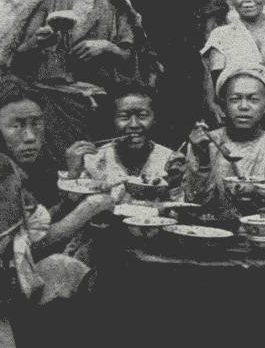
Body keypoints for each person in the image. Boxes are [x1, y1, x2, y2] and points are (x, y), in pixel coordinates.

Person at [0, 77, 116, 347]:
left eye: (36, 123)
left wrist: (68, 200)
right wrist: (91, 207)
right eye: (16, 126)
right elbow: (25, 254)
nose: (30, 136)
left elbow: (23, 230)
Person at [0, 0, 159, 167]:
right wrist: (37, 41)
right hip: (55, 105)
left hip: (103, 106)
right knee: (59, 170)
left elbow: (131, 56)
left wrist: (107, 47)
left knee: (101, 169)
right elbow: (18, 57)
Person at [63, 80, 186, 265]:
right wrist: (73, 173)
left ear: (155, 118)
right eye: (124, 116)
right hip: (101, 251)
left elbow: (180, 214)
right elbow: (73, 213)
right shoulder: (93, 160)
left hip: (156, 251)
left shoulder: (170, 160)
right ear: (112, 119)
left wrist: (174, 186)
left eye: (143, 115)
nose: (134, 124)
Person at [185, 65, 265, 221]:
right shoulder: (203, 144)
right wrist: (203, 162)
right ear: (223, 106)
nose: (243, 107)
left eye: (253, 99)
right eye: (235, 99)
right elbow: (192, 207)